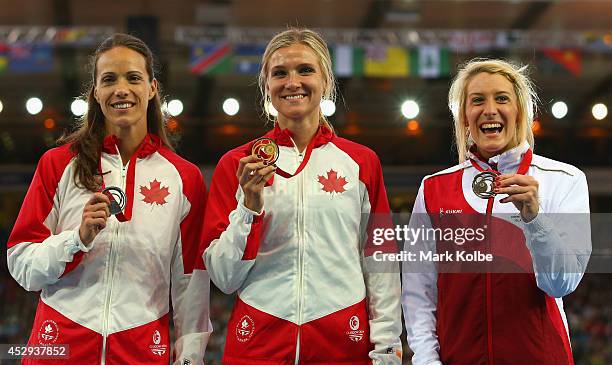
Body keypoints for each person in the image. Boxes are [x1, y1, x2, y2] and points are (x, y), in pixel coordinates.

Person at [201, 28, 402, 364]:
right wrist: (248, 208)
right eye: (280, 73)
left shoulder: (361, 163)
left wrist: (386, 346)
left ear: (325, 80)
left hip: (342, 339)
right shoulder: (236, 165)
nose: (292, 82)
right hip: (259, 340)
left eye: (305, 70)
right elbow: (224, 278)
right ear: (266, 84)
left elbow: (380, 259)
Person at [7, 33, 211, 364]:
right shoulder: (58, 164)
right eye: (109, 80)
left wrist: (190, 356)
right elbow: (21, 264)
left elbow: (190, 279)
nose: (121, 89)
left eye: (133, 78)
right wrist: (77, 239)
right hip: (60, 344)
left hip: (140, 348)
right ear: (96, 93)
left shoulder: (184, 178)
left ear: (152, 88)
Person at [401, 59, 591, 364]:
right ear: (464, 116)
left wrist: (534, 218)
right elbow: (418, 295)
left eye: (502, 98)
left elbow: (561, 284)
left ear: (520, 111)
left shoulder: (564, 180)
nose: (490, 109)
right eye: (477, 100)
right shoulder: (433, 190)